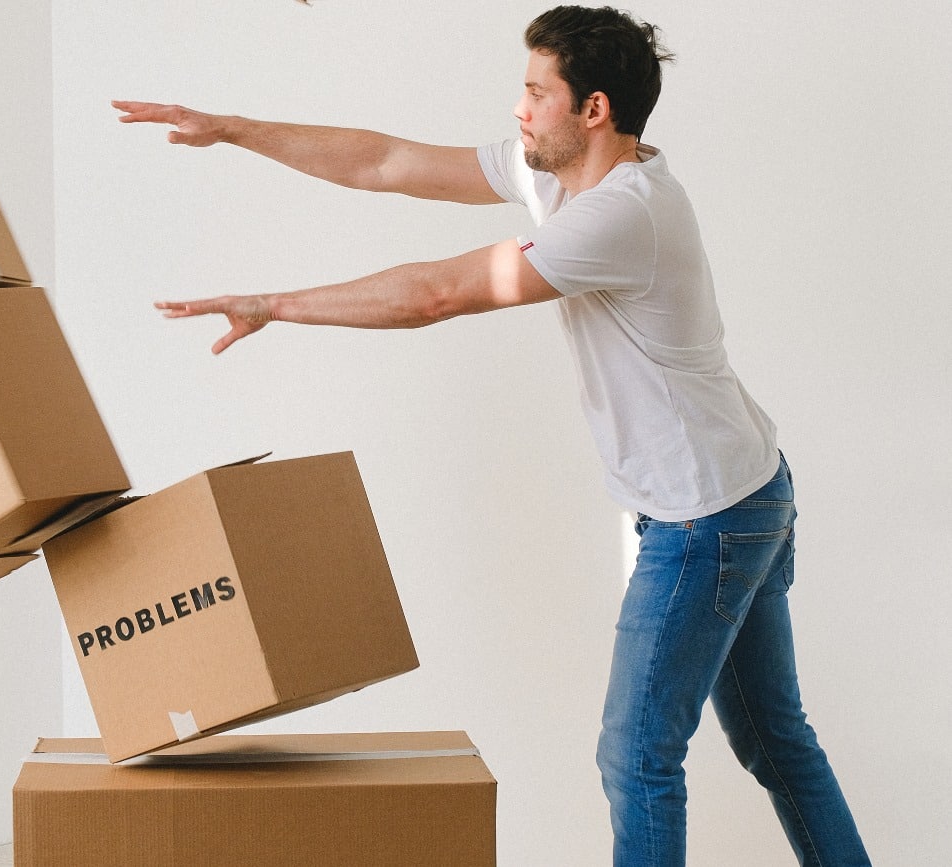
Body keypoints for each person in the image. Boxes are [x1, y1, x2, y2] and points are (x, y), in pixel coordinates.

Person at [114, 6, 870, 865]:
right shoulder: (563, 177)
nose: (517, 108)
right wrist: (235, 129)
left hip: (707, 518)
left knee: (636, 758)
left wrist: (272, 303)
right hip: (747, 488)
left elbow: (435, 294)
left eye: (534, 91)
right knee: (775, 742)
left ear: (593, 109)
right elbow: (386, 161)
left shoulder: (618, 216)